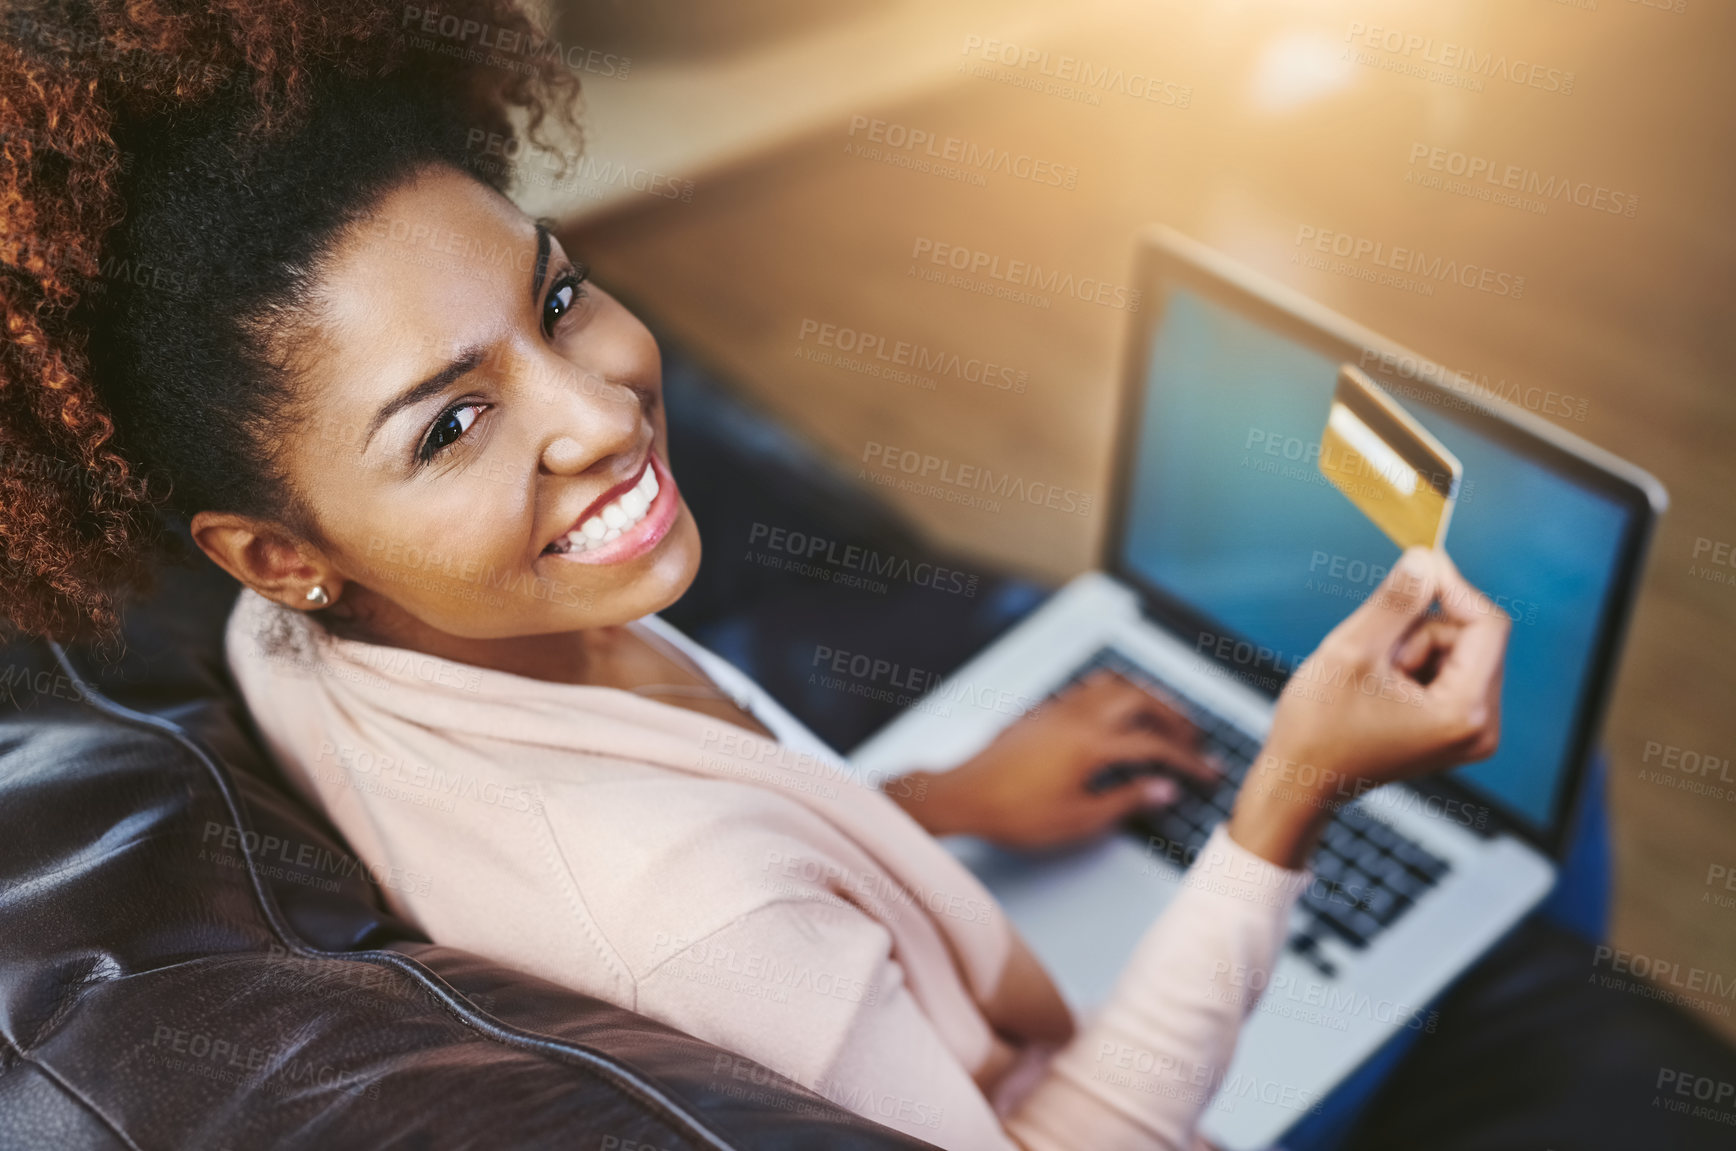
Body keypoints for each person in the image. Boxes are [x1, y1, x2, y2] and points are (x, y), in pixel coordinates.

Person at [1, 2, 1512, 1147]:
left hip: (925, 945)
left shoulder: (297, 641)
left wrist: (937, 803)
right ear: (276, 553)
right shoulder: (698, 915)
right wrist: (1289, 805)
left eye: (561, 296)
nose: (601, 410)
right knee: (1532, 853)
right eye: (453, 422)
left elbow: (747, 868)